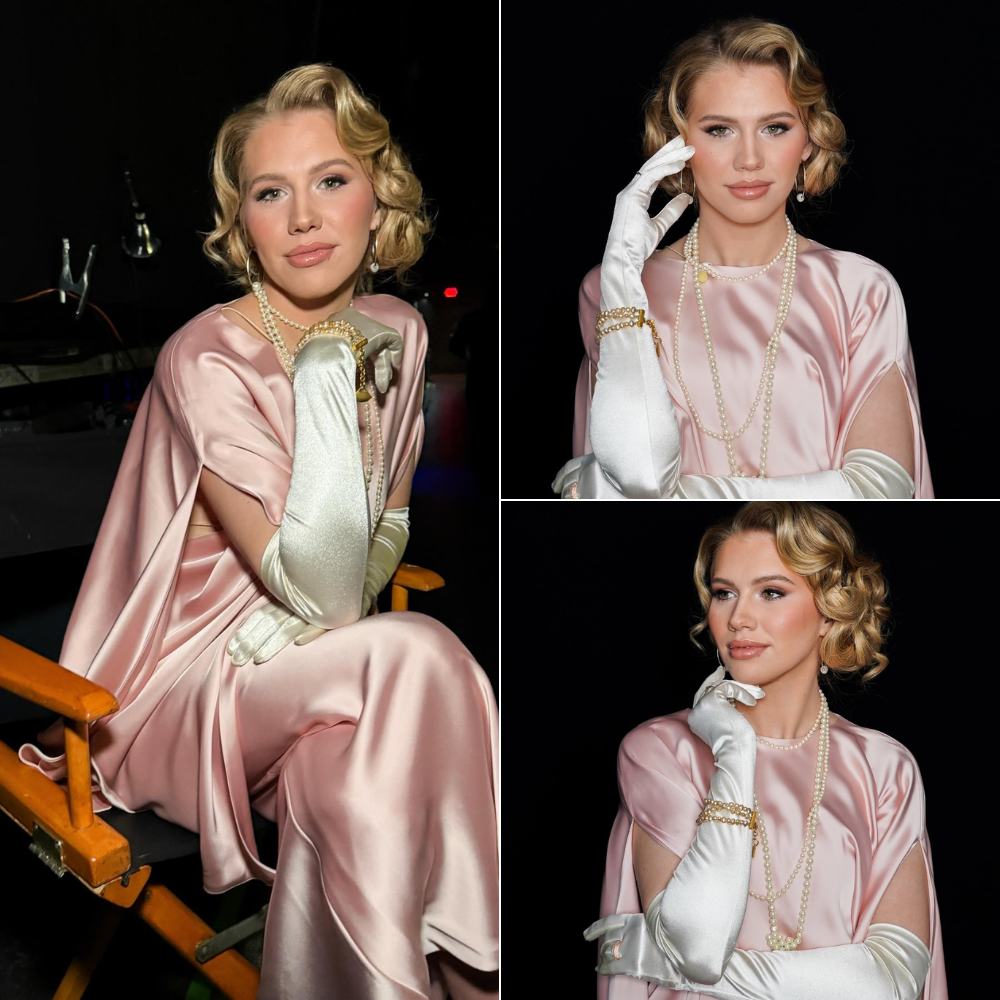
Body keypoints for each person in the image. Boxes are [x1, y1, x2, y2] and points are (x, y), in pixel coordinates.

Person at [18, 64, 498, 1000]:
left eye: (331, 180)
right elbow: (327, 589)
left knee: (349, 789)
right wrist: (322, 370)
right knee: (422, 652)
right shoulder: (206, 357)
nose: (305, 217)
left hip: (322, 669)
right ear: (242, 225)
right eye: (271, 193)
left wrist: (323, 619)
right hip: (185, 691)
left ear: (379, 197)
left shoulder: (401, 328)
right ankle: (483, 968)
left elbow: (389, 526)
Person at [553, 18, 932, 499]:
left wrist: (638, 491)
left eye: (775, 128)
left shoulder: (861, 291)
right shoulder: (615, 290)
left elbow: (881, 490)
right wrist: (622, 281)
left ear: (808, 140)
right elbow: (637, 478)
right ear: (677, 144)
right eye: (720, 130)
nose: (749, 158)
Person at [583, 502, 946, 999]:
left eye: (771, 592)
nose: (738, 618)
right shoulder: (661, 751)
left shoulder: (885, 769)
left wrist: (666, 964)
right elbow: (698, 950)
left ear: (830, 611)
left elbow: (894, 980)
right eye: (724, 593)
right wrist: (733, 749)